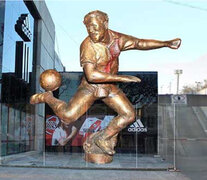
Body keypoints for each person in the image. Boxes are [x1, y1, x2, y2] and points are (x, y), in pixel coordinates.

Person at [30, 10, 181, 155]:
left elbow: (139, 43)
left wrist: (165, 43)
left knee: (129, 115)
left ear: (105, 24)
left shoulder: (117, 39)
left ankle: (103, 138)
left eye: (95, 28)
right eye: (88, 29)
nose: (92, 32)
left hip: (108, 87)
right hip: (90, 87)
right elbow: (92, 76)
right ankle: (47, 97)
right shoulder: (87, 45)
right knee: (68, 116)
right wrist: (122, 78)